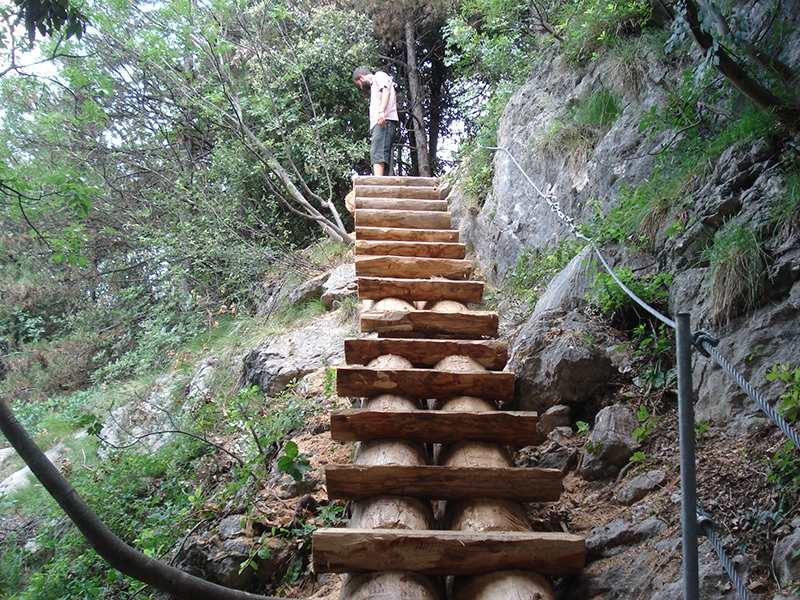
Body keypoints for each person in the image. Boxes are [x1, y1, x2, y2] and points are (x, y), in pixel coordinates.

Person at [352, 66, 399, 176]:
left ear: (361, 77)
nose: (360, 87)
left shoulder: (379, 76)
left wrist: (381, 112)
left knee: (377, 152)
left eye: (358, 84)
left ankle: (377, 181)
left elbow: (386, 91)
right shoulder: (373, 86)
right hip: (380, 123)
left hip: (383, 121)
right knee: (381, 152)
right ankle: (383, 183)